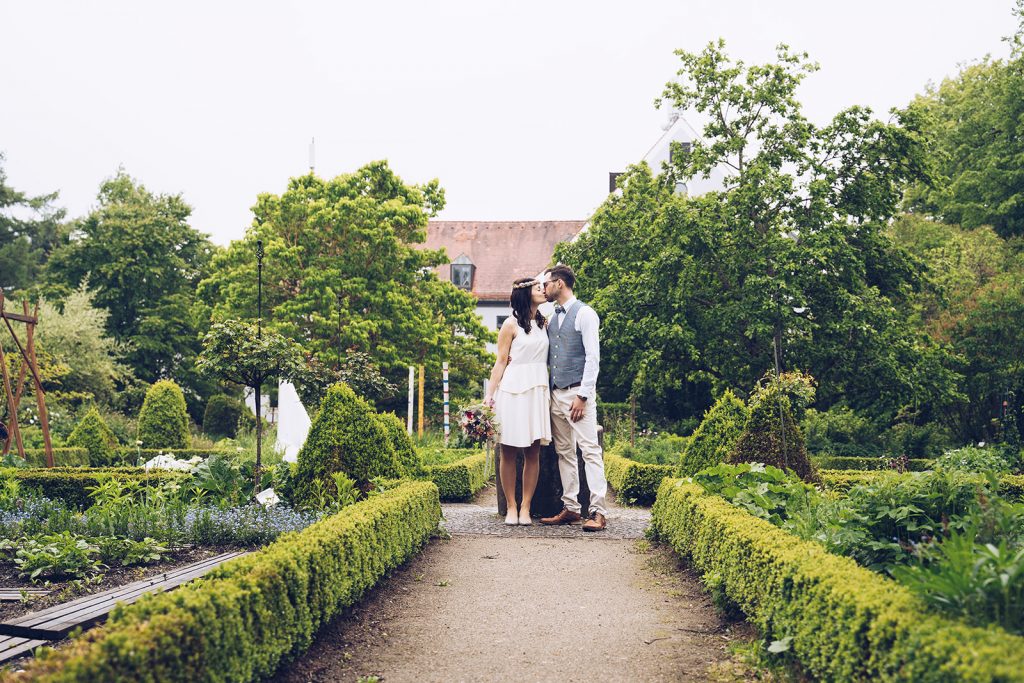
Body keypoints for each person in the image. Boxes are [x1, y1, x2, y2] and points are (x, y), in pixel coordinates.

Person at [539, 264, 608, 531]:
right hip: (556, 394)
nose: (544, 289)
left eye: (546, 284)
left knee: (590, 451)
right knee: (564, 452)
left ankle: (599, 512)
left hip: (578, 393)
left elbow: (593, 358)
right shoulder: (552, 317)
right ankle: (571, 508)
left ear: (559, 283)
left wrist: (583, 396)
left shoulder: (585, 314)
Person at [484, 277, 551, 526]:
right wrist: (489, 395)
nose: (543, 291)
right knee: (509, 451)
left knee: (533, 451)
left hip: (537, 390)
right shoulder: (510, 325)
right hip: (512, 390)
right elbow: (501, 361)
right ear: (525, 294)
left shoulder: (545, 323)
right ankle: (511, 507)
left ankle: (526, 507)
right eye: (537, 288)